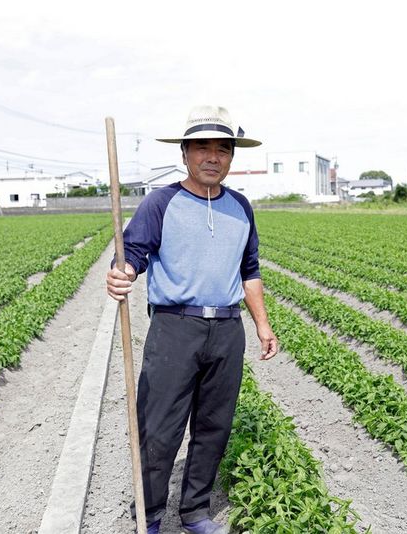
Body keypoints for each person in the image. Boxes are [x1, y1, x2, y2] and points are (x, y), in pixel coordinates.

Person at [106, 105, 278, 534]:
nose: (213, 157)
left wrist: (262, 324)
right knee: (160, 427)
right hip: (174, 327)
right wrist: (122, 273)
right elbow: (133, 252)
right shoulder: (161, 202)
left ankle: (195, 512)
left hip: (226, 328)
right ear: (185, 153)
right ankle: (149, 514)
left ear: (232, 159)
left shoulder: (241, 207)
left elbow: (250, 270)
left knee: (214, 426)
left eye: (223, 149)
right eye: (203, 147)